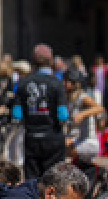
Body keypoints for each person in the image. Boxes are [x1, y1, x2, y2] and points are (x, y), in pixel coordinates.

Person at [15, 44, 68, 178]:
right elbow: (63, 115)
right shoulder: (57, 82)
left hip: (32, 136)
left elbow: (16, 114)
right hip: (52, 137)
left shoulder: (23, 82)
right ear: (51, 60)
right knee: (54, 178)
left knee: (32, 179)